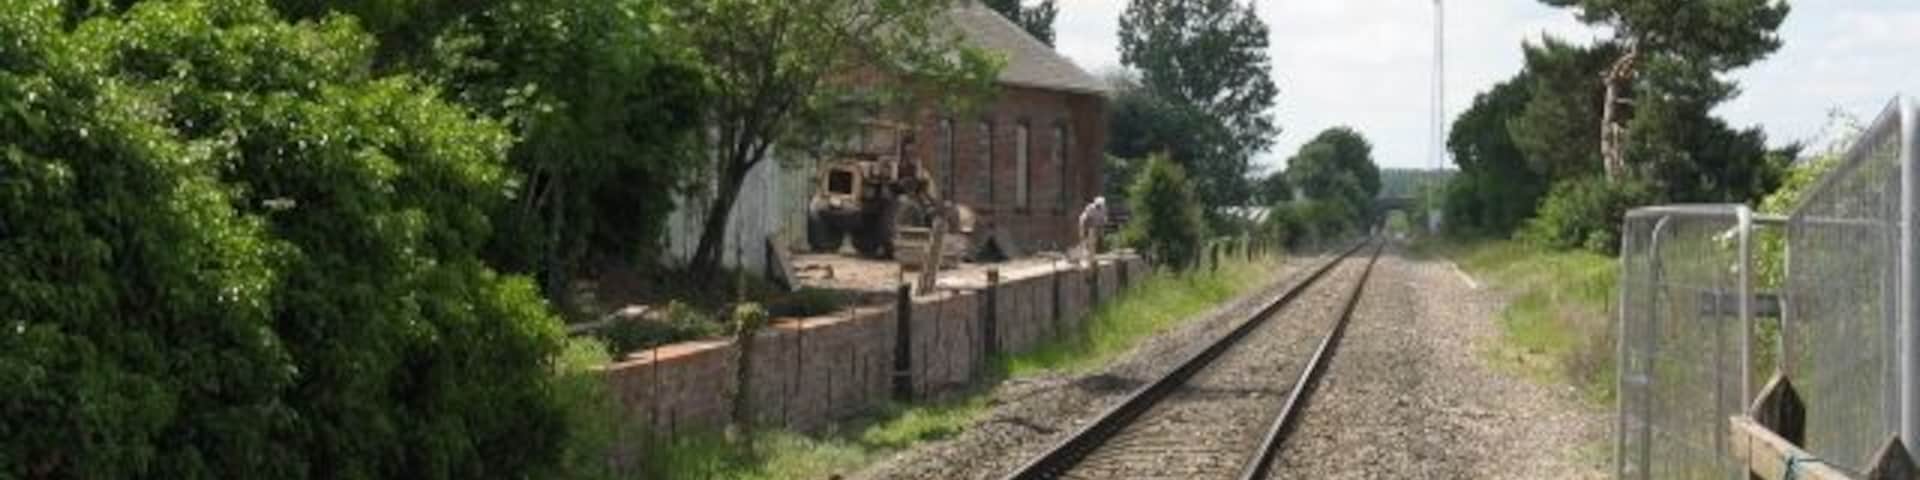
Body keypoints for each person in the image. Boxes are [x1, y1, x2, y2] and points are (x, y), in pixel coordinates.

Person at [1077, 197, 1108, 262]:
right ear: (1096, 204)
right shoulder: (1090, 208)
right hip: (1085, 223)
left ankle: (1095, 252)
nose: (1099, 207)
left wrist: (1101, 225)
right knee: (1086, 238)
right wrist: (1090, 229)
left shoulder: (1103, 209)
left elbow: (1103, 218)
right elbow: (1088, 220)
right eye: (1098, 205)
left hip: (1096, 224)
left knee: (1097, 238)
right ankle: (1084, 252)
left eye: (1100, 206)